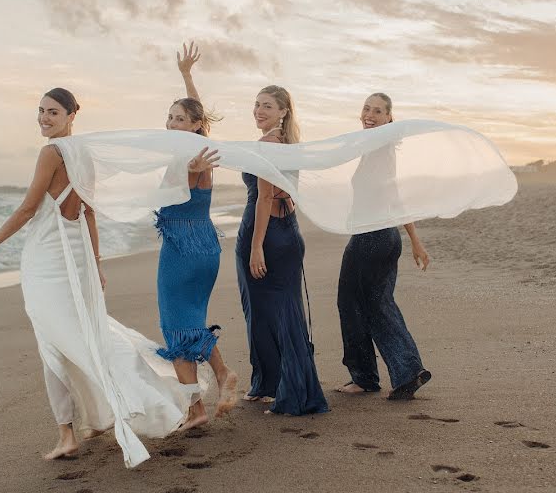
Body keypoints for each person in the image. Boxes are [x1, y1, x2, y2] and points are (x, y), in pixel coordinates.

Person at [0, 88, 203, 468]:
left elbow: (30, 208)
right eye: (41, 111)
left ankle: (69, 433)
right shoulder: (84, 153)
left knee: (54, 342)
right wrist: (95, 261)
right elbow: (87, 212)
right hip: (74, 256)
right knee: (82, 334)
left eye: (53, 112)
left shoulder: (52, 153)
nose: (44, 118)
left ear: (71, 114)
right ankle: (91, 420)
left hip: (48, 260)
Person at [213, 81, 329, 416]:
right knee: (276, 313)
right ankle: (268, 384)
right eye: (257, 104)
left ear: (282, 111)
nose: (259, 111)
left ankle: (292, 393)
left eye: (267, 105)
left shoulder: (268, 144)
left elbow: (264, 196)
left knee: (271, 314)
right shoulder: (288, 143)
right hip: (287, 231)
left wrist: (256, 248)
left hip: (264, 234)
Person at [153, 42, 239, 429]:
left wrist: (190, 165)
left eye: (178, 118)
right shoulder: (200, 147)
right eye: (169, 118)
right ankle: (209, 393)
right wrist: (187, 77)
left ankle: (206, 398)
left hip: (181, 249)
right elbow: (198, 120)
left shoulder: (191, 157)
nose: (171, 124)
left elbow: (190, 165)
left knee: (176, 328)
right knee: (189, 324)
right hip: (205, 244)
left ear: (193, 126)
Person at [335, 92, 433, 400]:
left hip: (372, 238)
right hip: (387, 237)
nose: (370, 114)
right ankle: (408, 371)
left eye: (378, 111)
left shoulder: (378, 148)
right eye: (366, 108)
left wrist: (415, 240)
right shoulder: (378, 149)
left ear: (390, 118)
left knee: (353, 305)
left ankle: (365, 377)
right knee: (379, 304)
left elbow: (392, 195)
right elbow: (395, 197)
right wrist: (414, 241)